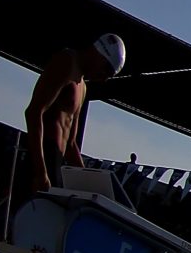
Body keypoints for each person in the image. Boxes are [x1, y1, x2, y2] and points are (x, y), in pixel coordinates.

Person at [18, 33, 127, 196]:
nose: (103, 78)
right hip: (40, 155)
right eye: (106, 70)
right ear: (98, 52)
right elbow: (34, 112)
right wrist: (40, 171)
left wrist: (91, 186)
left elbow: (70, 144)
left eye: (109, 76)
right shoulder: (67, 62)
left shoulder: (82, 88)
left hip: (56, 163)